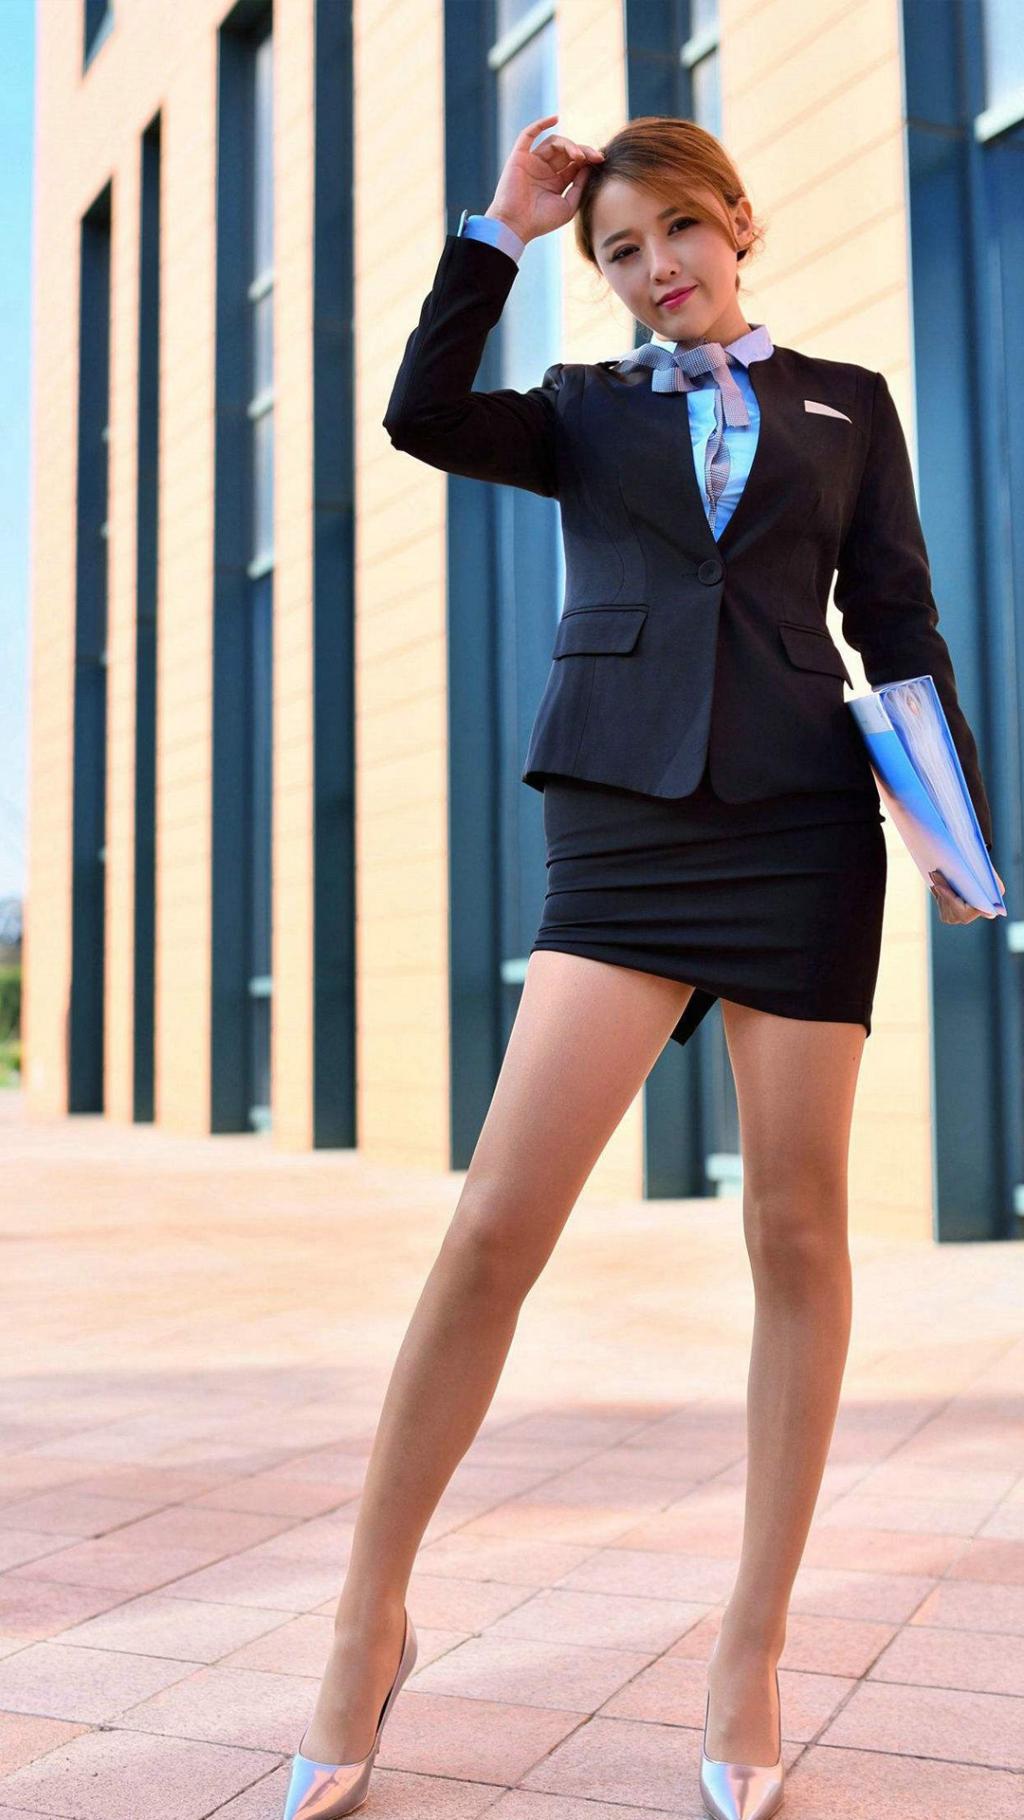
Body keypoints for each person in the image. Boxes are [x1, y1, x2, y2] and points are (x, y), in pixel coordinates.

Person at [281, 114, 1005, 1820]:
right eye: (620, 249)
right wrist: (500, 233)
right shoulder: (580, 412)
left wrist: (955, 831)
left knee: (798, 1233)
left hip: (802, 835)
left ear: (736, 221)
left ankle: (752, 1647)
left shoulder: (851, 405)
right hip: (622, 827)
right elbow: (419, 416)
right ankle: (366, 1619)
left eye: (676, 229)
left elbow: (896, 625)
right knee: (495, 1225)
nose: (655, 266)